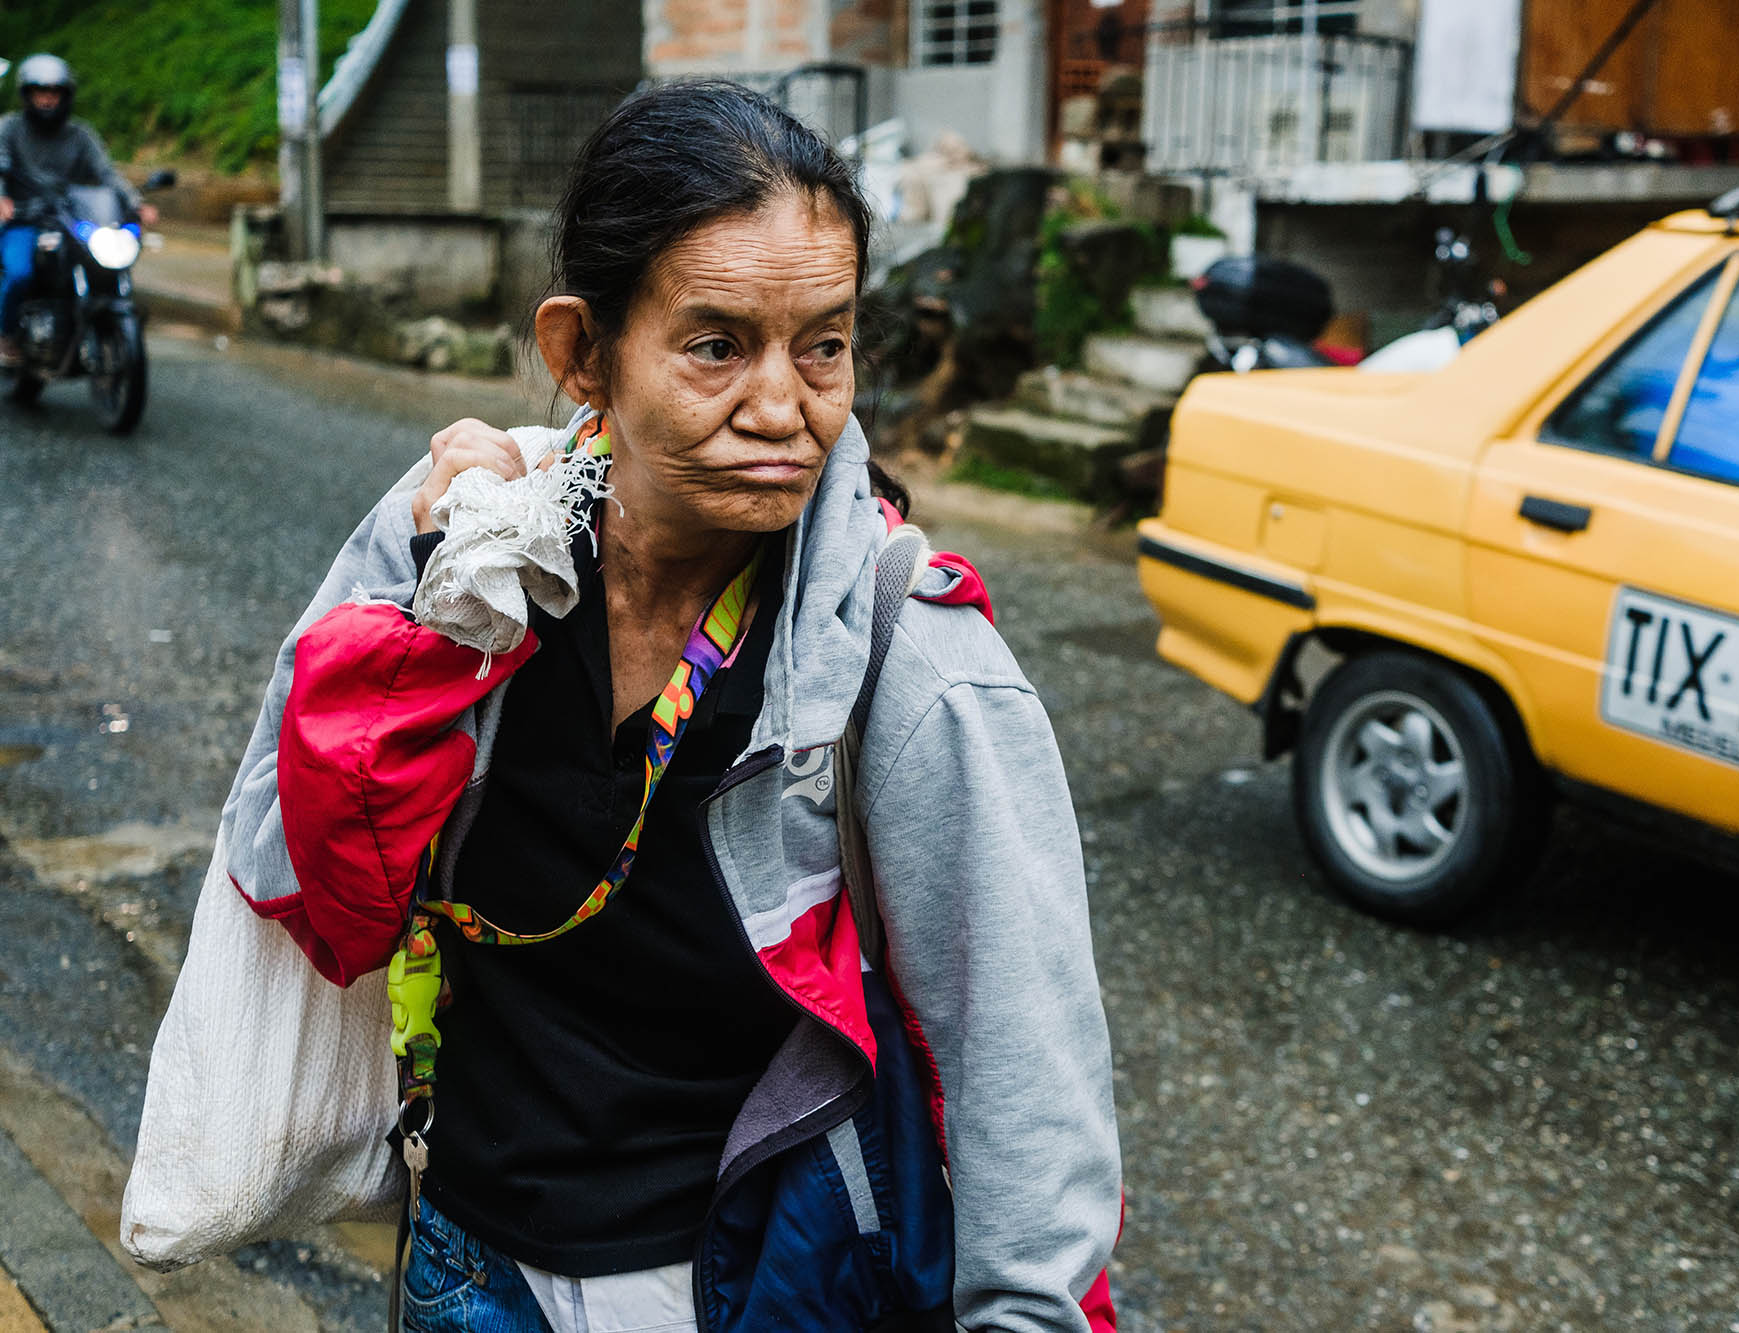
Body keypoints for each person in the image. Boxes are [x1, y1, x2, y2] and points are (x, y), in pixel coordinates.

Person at [221, 80, 1121, 1331]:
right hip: (467, 1261)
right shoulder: (469, 551)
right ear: (581, 351)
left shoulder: (911, 649)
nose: (782, 408)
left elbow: (1020, 1057)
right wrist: (428, 632)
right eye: (715, 344)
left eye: (823, 343)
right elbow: (318, 883)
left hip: (748, 1286)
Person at [0, 53, 156, 366]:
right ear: (27, 95)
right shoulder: (10, 128)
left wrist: (136, 203)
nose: (47, 99)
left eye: (54, 92)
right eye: (40, 92)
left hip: (71, 219)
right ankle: (6, 336)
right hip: (24, 220)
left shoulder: (80, 134)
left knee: (103, 261)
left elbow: (107, 173)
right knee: (19, 274)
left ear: (65, 96)